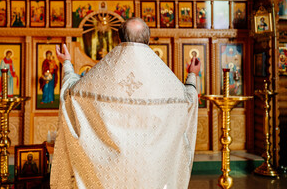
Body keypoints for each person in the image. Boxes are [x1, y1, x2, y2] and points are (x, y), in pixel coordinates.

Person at [51, 17, 200, 188]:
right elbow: (188, 100)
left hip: (107, 174)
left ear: (119, 39)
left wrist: (67, 63)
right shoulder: (162, 78)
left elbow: (71, 93)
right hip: (150, 172)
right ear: (148, 39)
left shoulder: (104, 73)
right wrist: (192, 75)